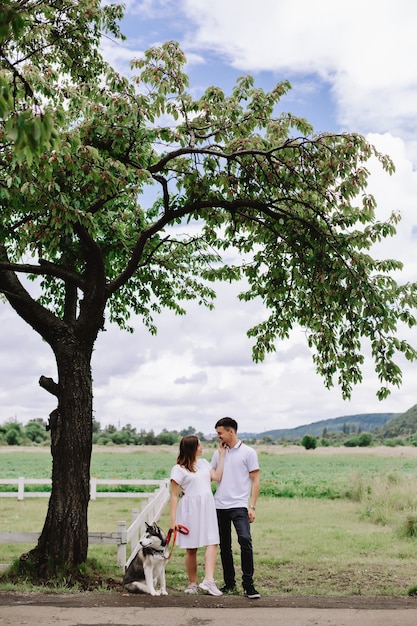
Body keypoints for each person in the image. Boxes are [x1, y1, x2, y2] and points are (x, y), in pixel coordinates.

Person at [170, 434, 226, 596]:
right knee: (191, 548)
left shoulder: (203, 463)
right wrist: (173, 520)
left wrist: (221, 456)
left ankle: (209, 580)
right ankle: (192, 583)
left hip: (207, 506)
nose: (202, 448)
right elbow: (174, 495)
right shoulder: (178, 469)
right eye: (199, 445)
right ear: (192, 448)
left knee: (212, 541)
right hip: (189, 509)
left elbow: (217, 477)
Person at [211, 416, 261, 599]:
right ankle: (229, 583)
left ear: (230, 431)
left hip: (239, 505)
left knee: (245, 540)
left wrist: (252, 506)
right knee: (224, 546)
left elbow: (255, 481)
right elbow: (213, 475)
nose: (218, 437)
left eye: (220, 433)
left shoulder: (249, 452)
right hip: (219, 505)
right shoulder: (218, 453)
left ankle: (249, 585)